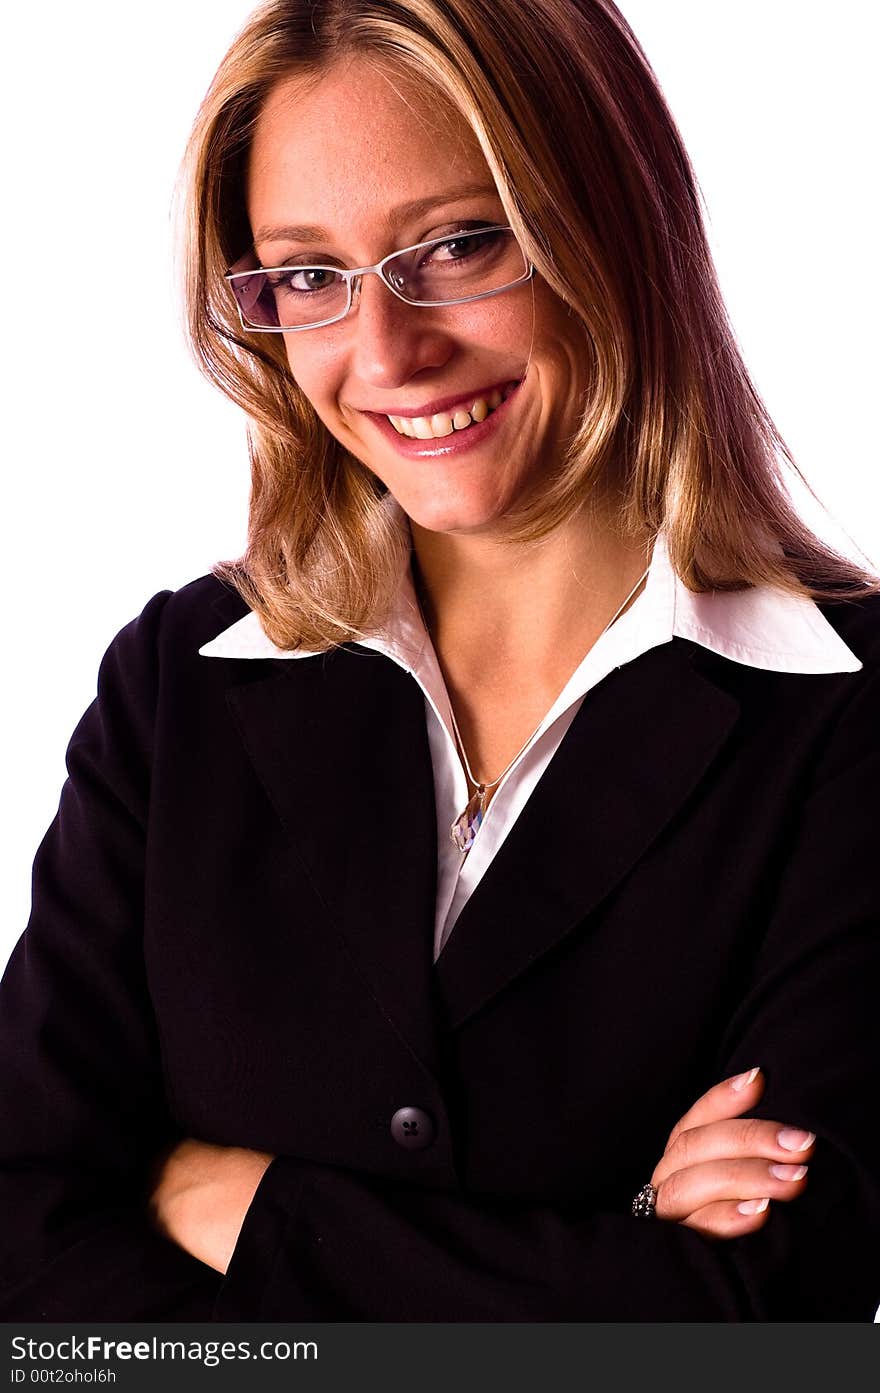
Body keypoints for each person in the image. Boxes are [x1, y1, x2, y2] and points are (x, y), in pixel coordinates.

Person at [1, 0, 879, 1322]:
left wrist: (255, 1212)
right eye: (307, 276)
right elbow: (25, 1246)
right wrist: (618, 1248)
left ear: (608, 222)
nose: (387, 353)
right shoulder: (180, 683)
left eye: (460, 245)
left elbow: (765, 1320)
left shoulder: (850, 723)